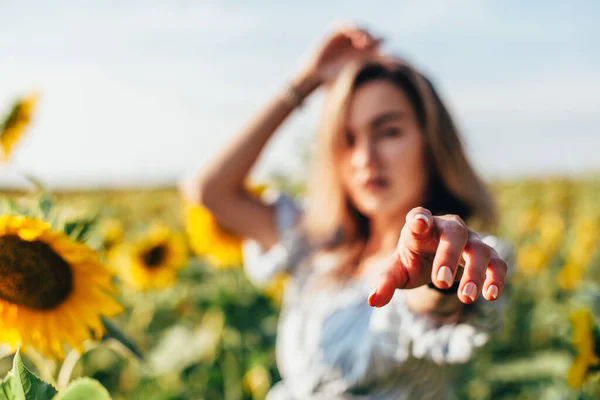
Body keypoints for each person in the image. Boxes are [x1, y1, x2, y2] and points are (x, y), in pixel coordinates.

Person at [180, 24, 513, 400]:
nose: (365, 159)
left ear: (431, 142)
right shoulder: (316, 240)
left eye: (388, 132)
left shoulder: (468, 252)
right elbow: (208, 190)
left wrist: (439, 274)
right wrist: (306, 81)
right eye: (347, 139)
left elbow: (437, 301)